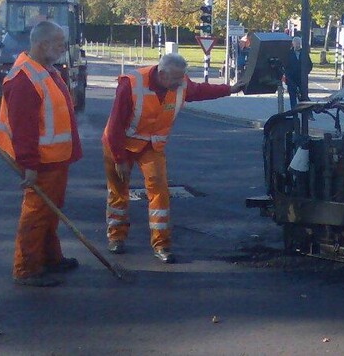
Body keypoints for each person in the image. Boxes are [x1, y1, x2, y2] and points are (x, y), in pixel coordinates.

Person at [102, 53, 244, 264]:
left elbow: (200, 91)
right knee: (118, 191)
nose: (180, 84)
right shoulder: (131, 84)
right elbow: (114, 126)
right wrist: (119, 159)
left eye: (182, 79)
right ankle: (116, 237)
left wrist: (229, 89)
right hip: (119, 143)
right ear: (162, 73)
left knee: (159, 192)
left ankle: (162, 245)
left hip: (151, 146)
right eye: (176, 79)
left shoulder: (180, 83)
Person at [0, 22, 83, 287]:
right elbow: (24, 128)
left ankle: (49, 258)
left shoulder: (46, 71)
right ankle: (26, 268)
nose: (62, 49)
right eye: (58, 44)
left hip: (55, 158)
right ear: (42, 44)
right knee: (35, 215)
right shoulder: (24, 78)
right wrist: (29, 165)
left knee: (49, 212)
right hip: (41, 161)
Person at [284, 36, 312, 110]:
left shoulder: (304, 53)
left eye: (299, 43)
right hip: (291, 79)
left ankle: (308, 113)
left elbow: (310, 65)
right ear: (293, 44)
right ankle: (294, 113)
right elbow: (285, 66)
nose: (297, 45)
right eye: (296, 43)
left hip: (301, 79)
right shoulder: (288, 54)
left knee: (304, 97)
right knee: (292, 98)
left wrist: (305, 73)